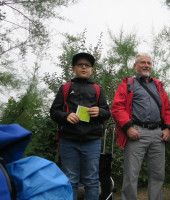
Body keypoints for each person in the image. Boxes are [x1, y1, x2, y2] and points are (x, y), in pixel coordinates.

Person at [111, 53, 170, 200]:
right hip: (136, 132)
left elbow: (168, 109)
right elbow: (117, 107)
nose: (146, 65)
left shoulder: (158, 85)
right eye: (142, 62)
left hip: (158, 134)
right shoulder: (128, 83)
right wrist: (128, 127)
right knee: (131, 175)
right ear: (135, 65)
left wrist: (168, 128)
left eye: (149, 63)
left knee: (158, 175)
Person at [50, 52, 110, 200]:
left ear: (91, 70)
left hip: (92, 141)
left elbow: (107, 113)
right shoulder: (65, 88)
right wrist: (66, 116)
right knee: (70, 179)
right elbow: (53, 111)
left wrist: (99, 111)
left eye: (87, 65)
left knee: (92, 180)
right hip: (68, 140)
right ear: (73, 68)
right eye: (80, 65)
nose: (84, 67)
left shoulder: (97, 89)